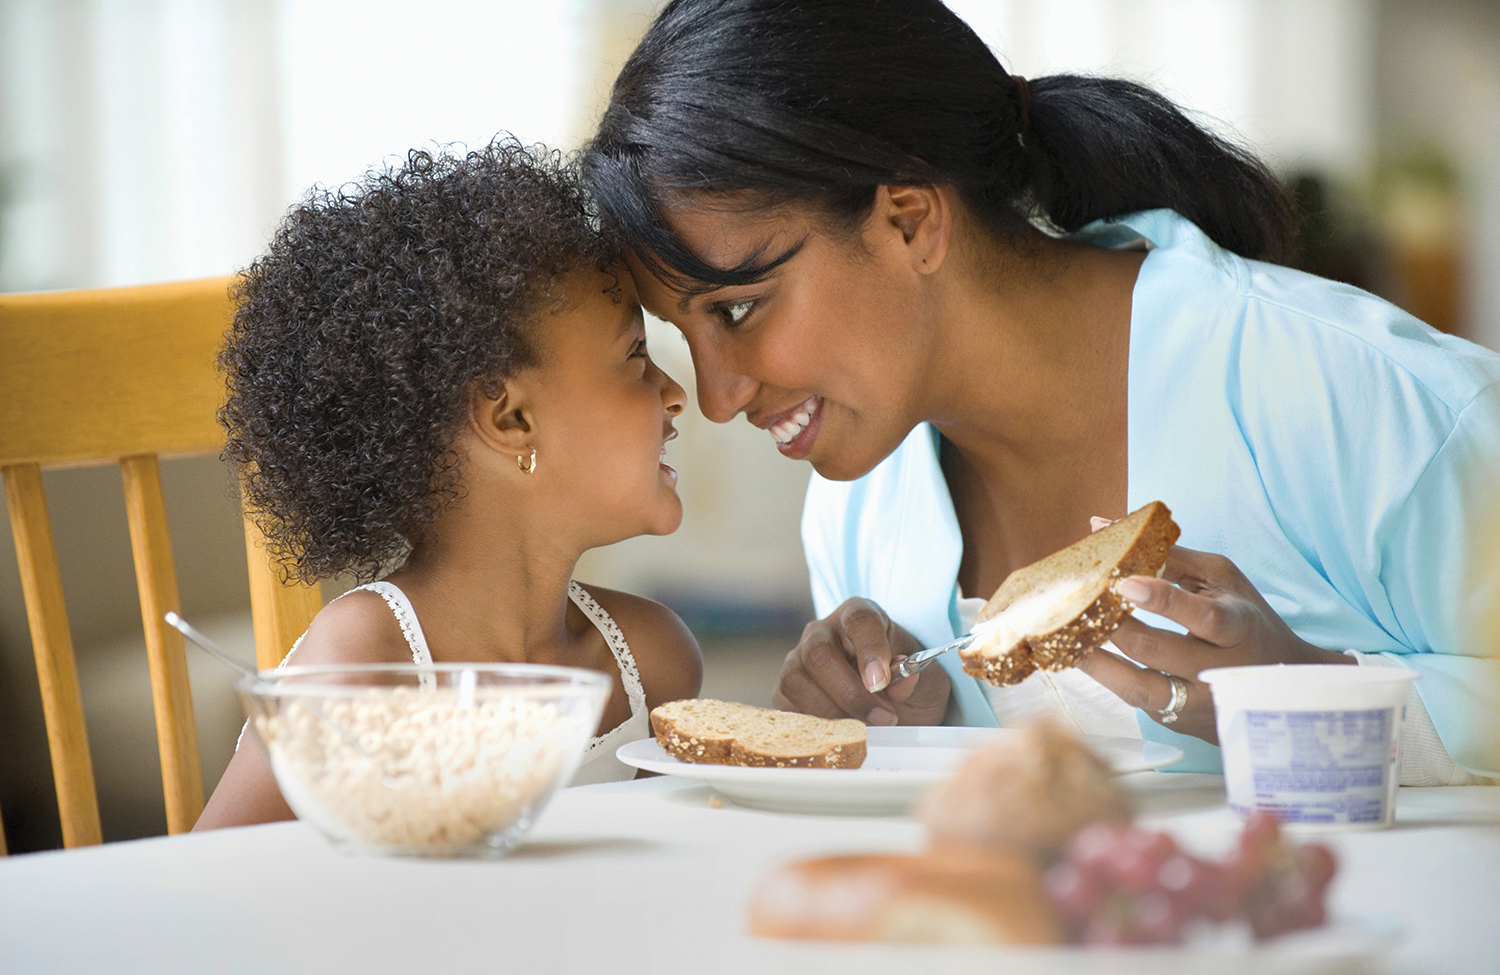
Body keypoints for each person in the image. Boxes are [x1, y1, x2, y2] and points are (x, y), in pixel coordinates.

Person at [583, 0, 1500, 782]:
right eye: (681, 330)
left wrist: (1309, 698)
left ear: (909, 220)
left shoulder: (1364, 400)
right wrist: (894, 740)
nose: (716, 396)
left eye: (737, 310)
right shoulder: (857, 510)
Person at [196, 140, 701, 828]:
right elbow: (208, 881)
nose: (674, 394)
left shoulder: (652, 660)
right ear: (509, 416)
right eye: (636, 355)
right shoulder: (361, 665)